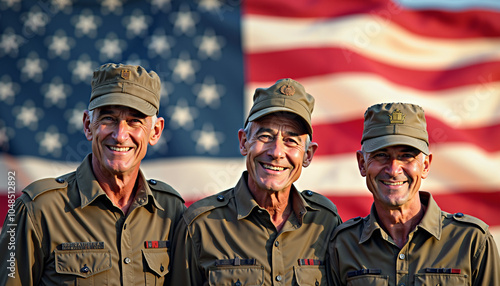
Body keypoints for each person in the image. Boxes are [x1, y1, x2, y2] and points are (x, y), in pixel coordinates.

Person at [0, 63, 186, 285]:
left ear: (155, 132)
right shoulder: (38, 209)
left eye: (134, 121)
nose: (119, 135)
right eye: (108, 119)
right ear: (88, 125)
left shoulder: (171, 210)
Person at [167, 78, 342, 285]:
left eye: (291, 141)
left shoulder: (325, 222)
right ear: (243, 143)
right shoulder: (200, 226)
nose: (277, 152)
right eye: (265, 136)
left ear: (308, 155)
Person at [329, 102, 500, 286]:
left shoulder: (471, 241)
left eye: (406, 156)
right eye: (381, 155)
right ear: (362, 163)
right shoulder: (343, 244)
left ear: (425, 165)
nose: (394, 170)